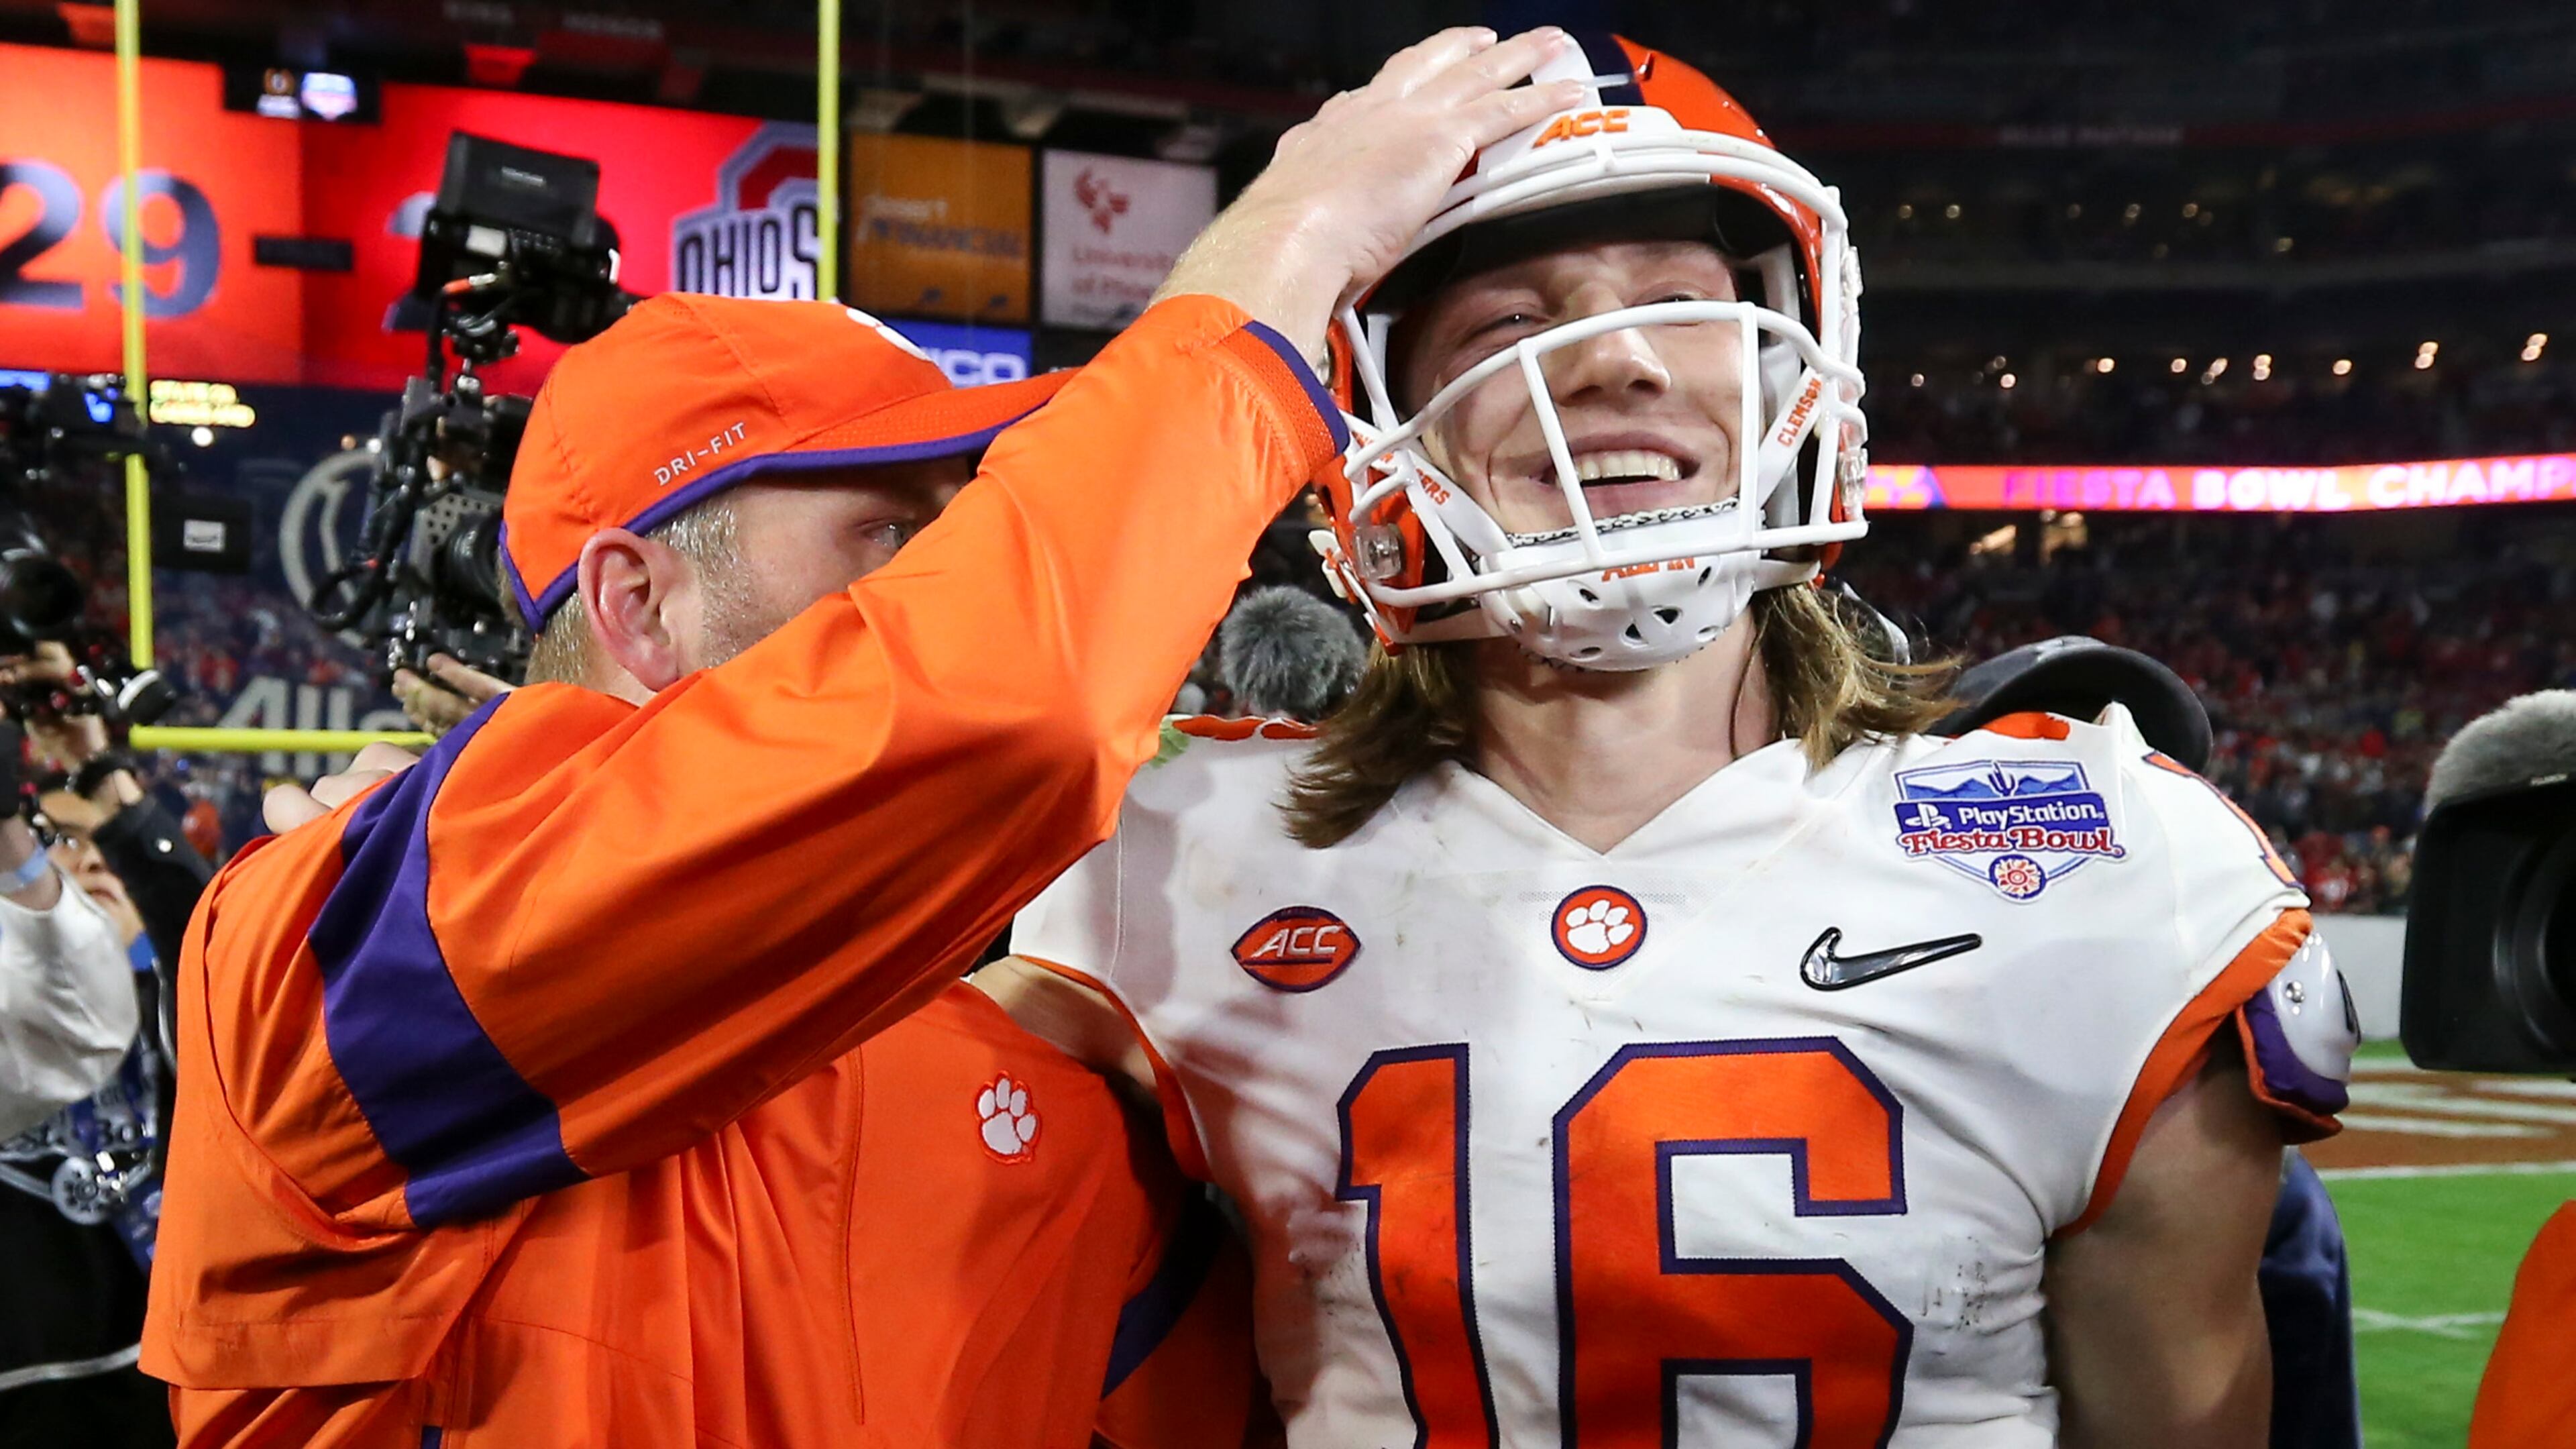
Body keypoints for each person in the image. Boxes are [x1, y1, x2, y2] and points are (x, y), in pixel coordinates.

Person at [145, 26, 1589, 1449]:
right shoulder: (329, 954)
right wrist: (1289, 241)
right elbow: (1007, 703)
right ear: (637, 604)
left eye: (963, 530)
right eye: (890, 534)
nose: (941, 583)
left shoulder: (1039, 1097)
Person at [984, 34, 2357, 1447]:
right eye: (1510, 325)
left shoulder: (2111, 863)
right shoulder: (1179, 869)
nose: (1619, 363)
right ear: (1377, 430)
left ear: (1795, 357)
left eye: (1684, 305)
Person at [0, 708, 175, 1449]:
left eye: (110, 847)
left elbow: (201, 909)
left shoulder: (186, 1009)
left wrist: (117, 793)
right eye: (67, 842)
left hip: (173, 1382)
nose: (95, 861)